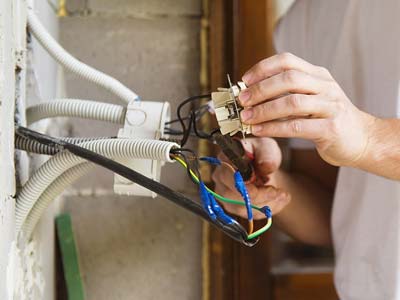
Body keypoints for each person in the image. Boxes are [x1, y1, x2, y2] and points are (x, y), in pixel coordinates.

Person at [212, 1, 400, 299]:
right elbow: (331, 212)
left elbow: (362, 141)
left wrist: (368, 138)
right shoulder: (309, 17)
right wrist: (271, 186)